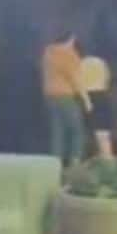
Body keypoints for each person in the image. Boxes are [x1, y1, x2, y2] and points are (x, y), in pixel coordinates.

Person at [41, 30, 88, 166]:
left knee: (57, 131)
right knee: (77, 130)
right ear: (72, 39)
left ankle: (55, 163)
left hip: (50, 96)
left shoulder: (48, 52)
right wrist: (86, 100)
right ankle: (75, 163)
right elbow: (75, 79)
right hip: (65, 96)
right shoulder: (69, 55)